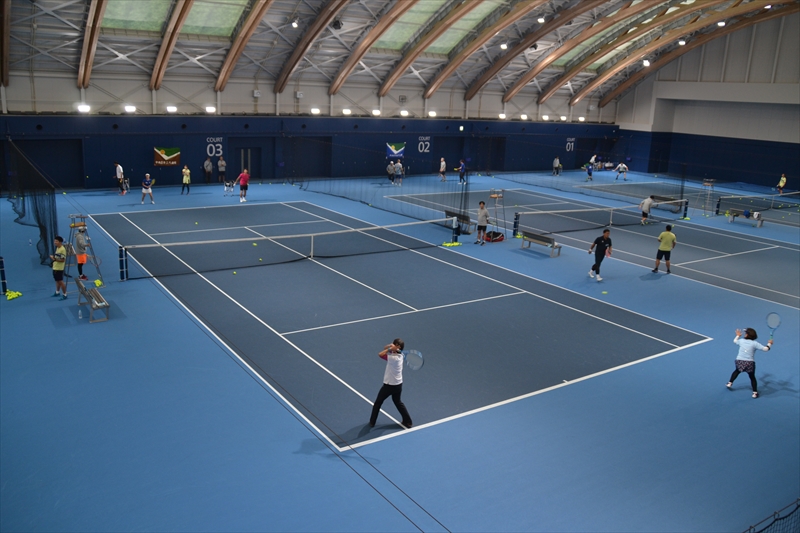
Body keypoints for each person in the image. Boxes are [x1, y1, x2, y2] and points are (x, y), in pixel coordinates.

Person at [369, 338, 413, 429]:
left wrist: (390, 349)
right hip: (398, 384)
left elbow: (380, 354)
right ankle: (408, 421)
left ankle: (372, 422)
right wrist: (391, 346)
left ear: (398, 347)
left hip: (389, 386)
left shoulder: (394, 358)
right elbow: (385, 347)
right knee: (398, 402)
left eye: (394, 344)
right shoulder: (401, 355)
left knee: (378, 403)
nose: (392, 345)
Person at [727, 328, 773, 398]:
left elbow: (734, 341)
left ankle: (730, 383)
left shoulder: (741, 341)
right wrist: (769, 343)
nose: (745, 334)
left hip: (739, 361)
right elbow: (766, 349)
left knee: (737, 371)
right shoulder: (755, 343)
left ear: (747, 335)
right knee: (752, 377)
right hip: (749, 363)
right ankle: (755, 393)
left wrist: (738, 335)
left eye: (746, 333)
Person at [50, 236, 67, 300]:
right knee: (57, 280)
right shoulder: (58, 248)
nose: (55, 242)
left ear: (60, 242)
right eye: (54, 241)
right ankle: (57, 292)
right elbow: (58, 257)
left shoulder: (62, 249)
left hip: (59, 268)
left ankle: (65, 294)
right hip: (55, 267)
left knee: (60, 281)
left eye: (56, 241)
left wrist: (54, 259)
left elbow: (63, 260)